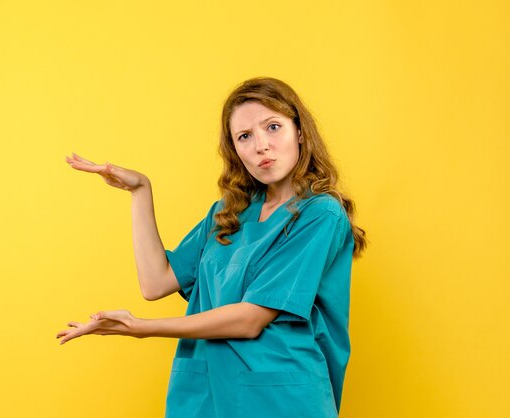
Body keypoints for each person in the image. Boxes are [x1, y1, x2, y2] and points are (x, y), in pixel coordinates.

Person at [56, 77, 367, 418]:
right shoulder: (229, 212)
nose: (261, 145)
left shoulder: (319, 214)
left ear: (300, 132)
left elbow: (250, 319)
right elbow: (155, 282)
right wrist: (140, 190)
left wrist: (141, 327)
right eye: (244, 136)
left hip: (282, 399)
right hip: (208, 395)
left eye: (273, 127)